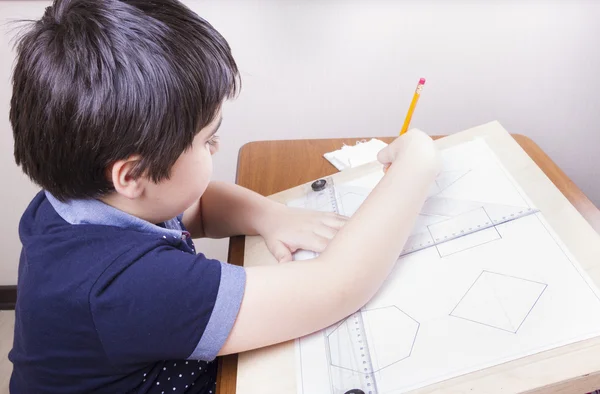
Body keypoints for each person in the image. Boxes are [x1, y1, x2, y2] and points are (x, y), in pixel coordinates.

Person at [7, 0, 440, 392]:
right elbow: (337, 288)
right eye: (208, 141)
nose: (217, 148)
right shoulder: (128, 287)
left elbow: (199, 208)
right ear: (133, 174)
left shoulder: (72, 203)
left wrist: (270, 216)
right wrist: (416, 164)